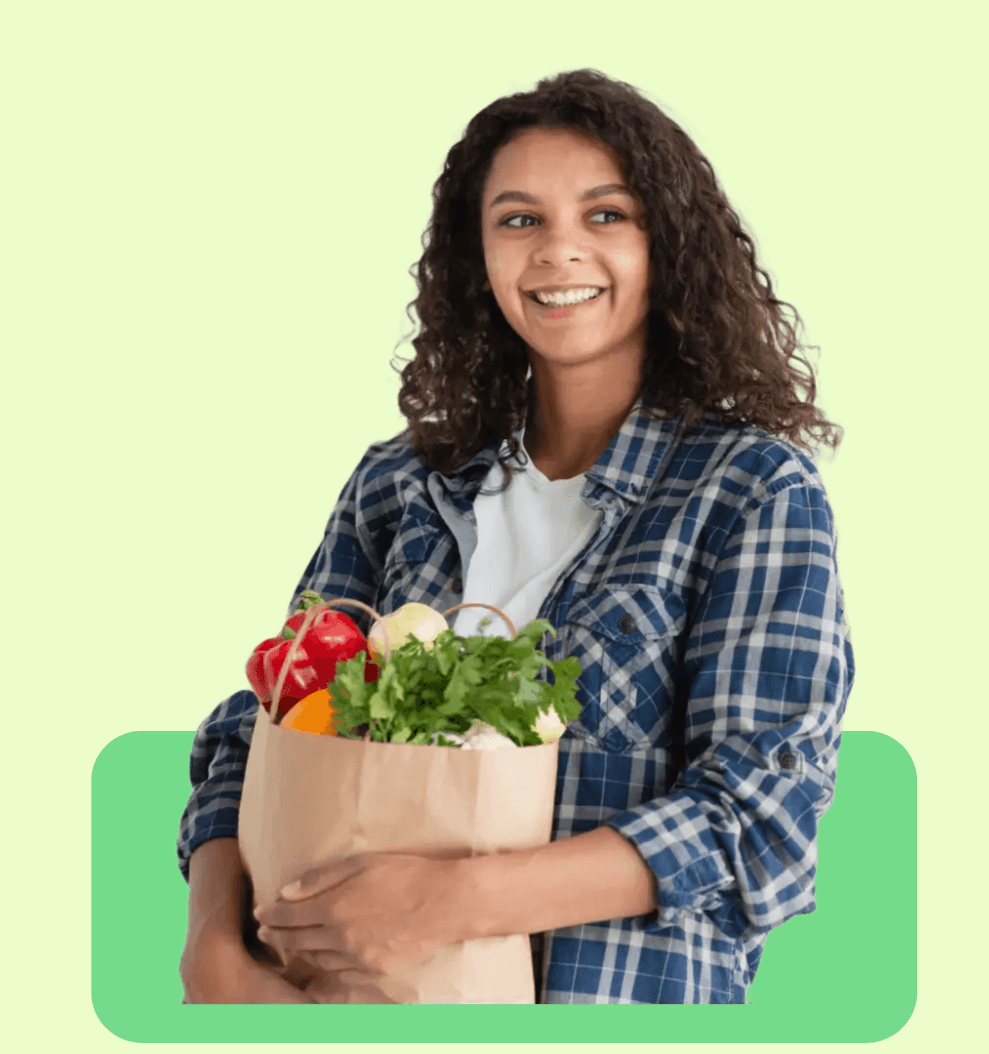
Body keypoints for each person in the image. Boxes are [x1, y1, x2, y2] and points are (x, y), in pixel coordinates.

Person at [178, 68, 854, 1005]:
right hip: (347, 1018)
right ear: (479, 255)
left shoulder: (749, 491)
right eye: (520, 219)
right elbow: (259, 727)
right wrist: (212, 944)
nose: (557, 252)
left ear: (670, 245)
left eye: (606, 215)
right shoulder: (399, 484)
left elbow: (759, 814)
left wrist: (450, 902)